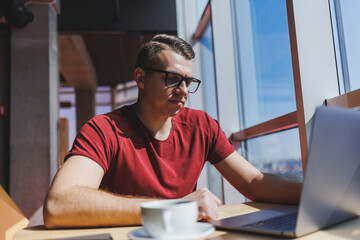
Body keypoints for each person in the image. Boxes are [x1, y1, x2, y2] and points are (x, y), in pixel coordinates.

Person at [43, 34, 302, 229]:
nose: (183, 90)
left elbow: (254, 183)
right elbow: (59, 204)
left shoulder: (202, 127)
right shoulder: (104, 130)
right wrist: (174, 208)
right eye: (172, 79)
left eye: (188, 81)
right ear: (141, 78)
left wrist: (320, 196)